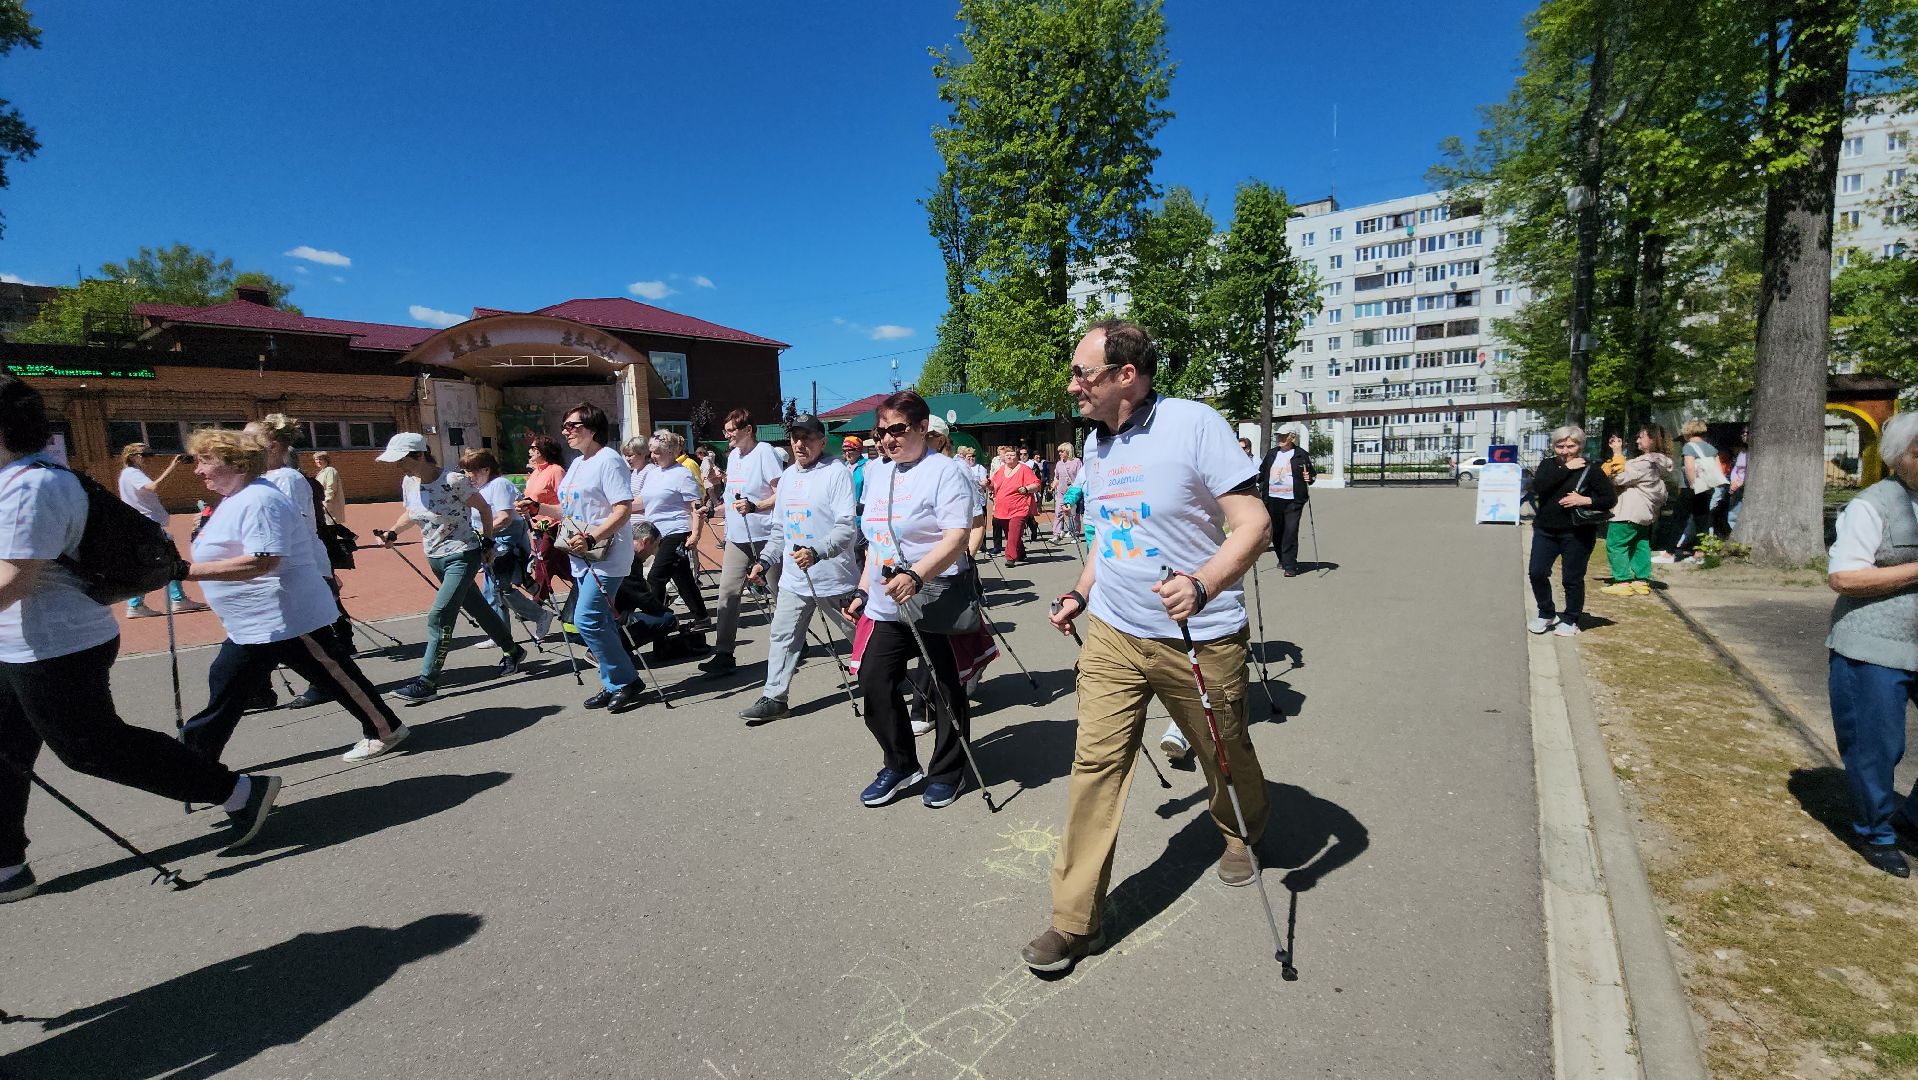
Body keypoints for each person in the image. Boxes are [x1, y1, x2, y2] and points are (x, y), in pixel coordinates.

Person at [1031, 319, 1273, 974]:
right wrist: (1081, 591)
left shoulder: (1195, 425)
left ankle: (1240, 829)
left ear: (1125, 377)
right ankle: (1074, 919)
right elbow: (1112, 539)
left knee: (1222, 752)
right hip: (1114, 631)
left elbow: (1254, 523)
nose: (1073, 384)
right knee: (1095, 768)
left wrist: (1204, 581)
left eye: (1083, 373)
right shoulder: (1097, 445)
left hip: (1199, 633)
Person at [0, 379, 280, 903]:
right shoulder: (14, 480)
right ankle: (6, 866)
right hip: (17, 644)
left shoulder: (30, 485)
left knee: (92, 749)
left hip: (55, 644)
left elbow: (15, 579)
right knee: (3, 752)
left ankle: (239, 791)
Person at [176, 428, 410, 764]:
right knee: (230, 682)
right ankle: (195, 758)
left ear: (236, 464)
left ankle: (386, 728)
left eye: (205, 461)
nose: (197, 470)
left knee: (335, 676)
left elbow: (265, 559)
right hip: (255, 620)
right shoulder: (237, 498)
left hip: (284, 614)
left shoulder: (260, 499)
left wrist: (184, 571)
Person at [845, 391, 978, 808]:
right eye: (881, 431)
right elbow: (876, 541)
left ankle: (948, 770)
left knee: (943, 686)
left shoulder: (946, 472)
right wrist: (863, 589)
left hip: (933, 596)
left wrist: (917, 576)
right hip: (887, 603)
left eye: (897, 429)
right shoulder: (877, 472)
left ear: (923, 428)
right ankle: (901, 763)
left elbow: (957, 538)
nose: (887, 439)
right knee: (874, 682)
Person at [1824, 411, 1918, 876]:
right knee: (1877, 746)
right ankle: (1875, 832)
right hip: (1874, 645)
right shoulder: (1872, 504)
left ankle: (1913, 818)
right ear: (1898, 459)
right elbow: (1844, 576)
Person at [374, 433, 525, 704]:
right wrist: (392, 532)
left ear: (420, 455)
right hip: (435, 557)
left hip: (462, 555)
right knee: (478, 607)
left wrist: (488, 541)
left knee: (439, 615)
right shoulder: (409, 481)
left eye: (402, 459)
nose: (398, 465)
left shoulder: (454, 480)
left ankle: (427, 681)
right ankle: (512, 650)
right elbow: (411, 512)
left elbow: (485, 509)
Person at [517, 403, 646, 713]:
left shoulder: (609, 461)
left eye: (573, 426)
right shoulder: (577, 464)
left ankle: (626, 680)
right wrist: (539, 509)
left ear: (593, 428)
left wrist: (592, 536)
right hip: (581, 554)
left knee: (586, 619)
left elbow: (623, 509)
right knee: (598, 620)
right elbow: (570, 511)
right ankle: (614, 681)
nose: (566, 431)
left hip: (607, 554)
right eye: (565, 426)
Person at [738, 414, 860, 722]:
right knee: (782, 636)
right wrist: (764, 561)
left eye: (807, 437)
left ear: (822, 441)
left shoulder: (836, 473)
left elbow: (847, 528)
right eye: (795, 437)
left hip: (834, 578)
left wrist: (817, 552)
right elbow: (780, 529)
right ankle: (774, 697)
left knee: (859, 636)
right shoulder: (789, 476)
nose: (799, 444)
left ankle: (888, 676)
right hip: (794, 580)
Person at [248, 415, 356, 704]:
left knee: (308, 638)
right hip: (281, 569)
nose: (241, 444)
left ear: (271, 446)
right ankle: (260, 690)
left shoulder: (287, 478)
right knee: (274, 635)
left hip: (296, 568)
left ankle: (339, 689)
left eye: (249, 438)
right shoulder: (262, 479)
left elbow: (290, 527)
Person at [699, 410, 783, 677]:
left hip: (765, 535)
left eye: (731, 431)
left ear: (748, 429)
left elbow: (781, 495)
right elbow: (733, 499)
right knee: (727, 594)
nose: (727, 436)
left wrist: (756, 506)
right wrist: (713, 510)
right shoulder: (733, 456)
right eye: (725, 432)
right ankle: (724, 653)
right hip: (737, 537)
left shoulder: (765, 453)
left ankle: (794, 641)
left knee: (779, 594)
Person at [1527, 425, 1617, 637]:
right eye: (1560, 446)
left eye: (1571, 445)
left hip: (1577, 532)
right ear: (1554, 446)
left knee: (1572, 578)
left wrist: (1584, 500)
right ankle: (1546, 612)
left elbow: (1609, 499)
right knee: (1537, 572)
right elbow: (1539, 487)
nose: (1566, 450)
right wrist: (1566, 469)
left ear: (1580, 445)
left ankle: (1571, 618)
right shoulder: (1548, 465)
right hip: (1545, 530)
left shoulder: (1591, 468)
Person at [462, 448, 547, 638]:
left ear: (485, 470)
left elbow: (504, 519)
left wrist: (478, 533)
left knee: (500, 589)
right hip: (489, 541)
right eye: (465, 472)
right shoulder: (478, 489)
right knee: (491, 590)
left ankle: (540, 615)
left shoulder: (499, 484)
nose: (468, 476)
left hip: (507, 541)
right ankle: (500, 635)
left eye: (472, 471)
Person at [115, 442, 208, 617]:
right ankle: (174, 599)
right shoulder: (132, 473)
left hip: (144, 526)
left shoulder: (130, 474)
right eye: (145, 455)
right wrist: (172, 466)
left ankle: (140, 603)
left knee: (156, 562)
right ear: (133, 456)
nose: (149, 459)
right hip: (148, 526)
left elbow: (153, 490)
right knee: (168, 561)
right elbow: (153, 487)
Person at [632, 430, 711, 628]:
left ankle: (658, 622)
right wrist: (619, 506)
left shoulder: (682, 474)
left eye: (657, 452)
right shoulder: (653, 473)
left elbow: (696, 505)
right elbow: (644, 501)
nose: (653, 456)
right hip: (657, 533)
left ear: (670, 452)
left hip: (676, 530)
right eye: (651, 452)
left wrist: (695, 534)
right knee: (682, 576)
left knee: (655, 577)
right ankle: (702, 616)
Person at [1599, 425, 1674, 597]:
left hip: (1628, 510)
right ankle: (1641, 581)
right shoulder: (1663, 463)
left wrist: (1617, 453)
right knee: (1640, 544)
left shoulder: (1645, 462)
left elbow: (1618, 477)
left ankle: (1622, 581)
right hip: (1645, 512)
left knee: (1616, 544)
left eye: (1642, 437)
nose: (1638, 440)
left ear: (1653, 439)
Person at [1258, 429, 1316, 577]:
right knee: (1276, 532)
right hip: (1272, 498)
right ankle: (1282, 559)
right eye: (1278, 435)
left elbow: (1311, 475)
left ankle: (1290, 565)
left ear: (1292, 438)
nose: (1280, 438)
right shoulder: (1272, 453)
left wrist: (1309, 477)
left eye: (1284, 436)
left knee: (1290, 530)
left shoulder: (1301, 454)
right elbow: (1262, 473)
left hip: (1293, 499)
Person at [1672, 419, 1727, 559]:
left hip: (1690, 488)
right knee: (1702, 519)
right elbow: (1718, 469)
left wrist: (1692, 485)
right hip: (1707, 489)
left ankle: (1669, 551)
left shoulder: (1689, 447)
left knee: (1679, 517)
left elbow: (1689, 467)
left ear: (1688, 432)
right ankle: (1700, 550)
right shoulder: (1711, 448)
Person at [988, 445, 1040, 568]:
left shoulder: (1024, 469)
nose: (1009, 457)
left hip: (1019, 507)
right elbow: (993, 484)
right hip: (1002, 508)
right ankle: (1020, 552)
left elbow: (1036, 484)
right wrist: (987, 483)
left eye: (1012, 455)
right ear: (1003, 458)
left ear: (1017, 457)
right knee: (1010, 533)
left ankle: (1010, 557)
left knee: (1014, 532)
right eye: (1007, 455)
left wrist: (1026, 488)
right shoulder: (1001, 470)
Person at [523, 435, 567, 525]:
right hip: (533, 524)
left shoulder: (556, 470)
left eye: (533, 448)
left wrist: (548, 520)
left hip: (551, 527)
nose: (529, 451)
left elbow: (565, 501)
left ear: (543, 449)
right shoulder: (536, 472)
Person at [1050, 442, 1083, 544]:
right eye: (1059, 451)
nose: (1059, 453)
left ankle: (1075, 534)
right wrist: (1053, 486)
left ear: (1068, 451)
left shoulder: (1077, 462)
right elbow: (1057, 477)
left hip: (1072, 493)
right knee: (1058, 513)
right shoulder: (1059, 463)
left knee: (1073, 514)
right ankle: (1056, 535)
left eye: (1062, 451)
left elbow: (1080, 477)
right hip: (1061, 492)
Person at [312, 449, 347, 527]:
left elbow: (331, 488)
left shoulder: (330, 471)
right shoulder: (322, 472)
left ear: (326, 460)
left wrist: (326, 503)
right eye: (316, 459)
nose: (318, 461)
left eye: (320, 459)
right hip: (322, 506)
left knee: (331, 529)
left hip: (329, 507)